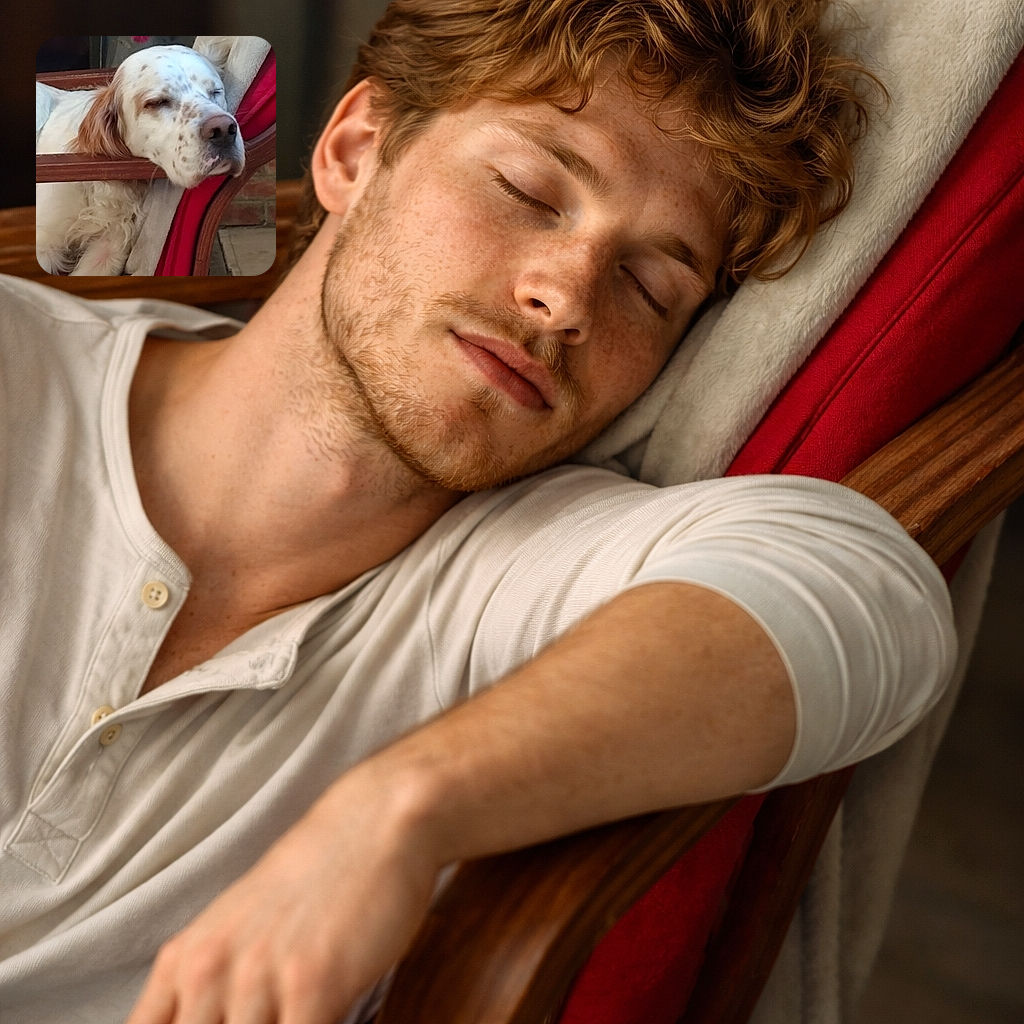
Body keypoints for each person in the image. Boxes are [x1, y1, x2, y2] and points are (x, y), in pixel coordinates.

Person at [0, 2, 954, 1022]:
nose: (571, 297)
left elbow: (864, 589)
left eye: (649, 284)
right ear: (358, 149)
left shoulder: (518, 574)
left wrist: (395, 811)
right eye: (529, 190)